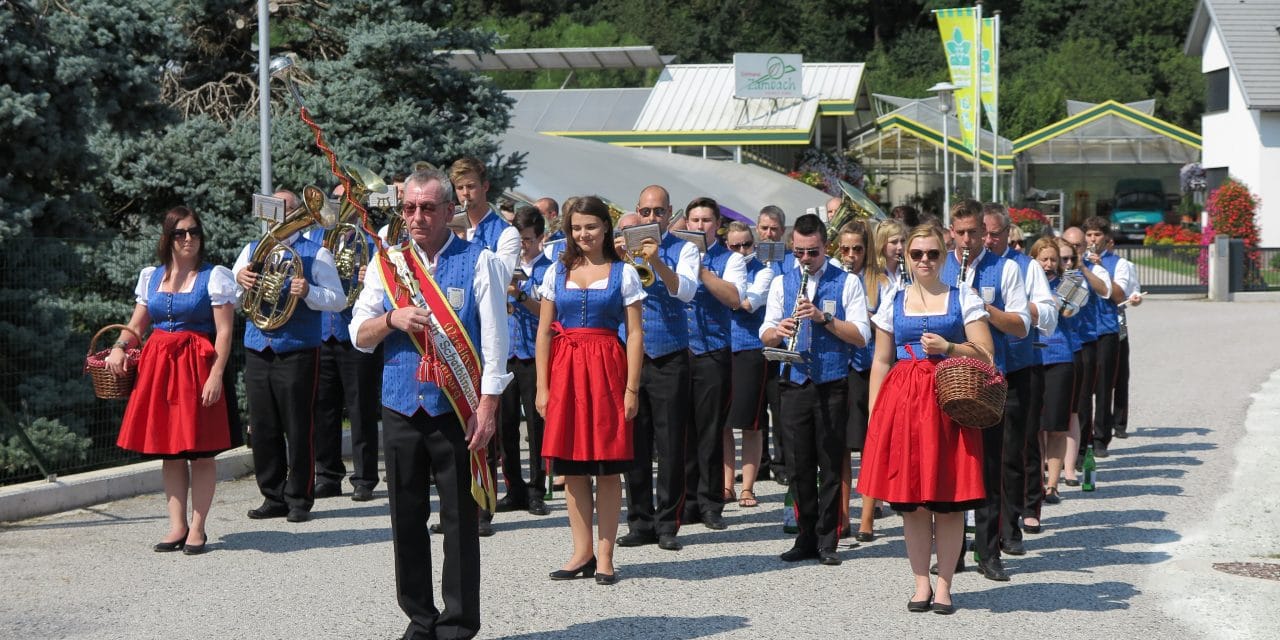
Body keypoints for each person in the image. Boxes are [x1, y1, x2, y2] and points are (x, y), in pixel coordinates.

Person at [350, 167, 509, 640]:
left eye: (427, 208)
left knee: (461, 519)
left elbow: (497, 343)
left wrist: (488, 407)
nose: (416, 217)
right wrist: (392, 318)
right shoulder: (387, 264)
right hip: (401, 406)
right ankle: (420, 619)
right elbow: (358, 335)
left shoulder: (480, 261)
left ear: (449, 211)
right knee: (406, 517)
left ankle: (458, 624)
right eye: (409, 208)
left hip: (456, 411)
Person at [859, 224, 994, 614]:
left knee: (948, 501)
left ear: (944, 254)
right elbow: (881, 361)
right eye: (916, 254)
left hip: (949, 403)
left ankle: (945, 586)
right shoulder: (893, 299)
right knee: (912, 502)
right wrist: (875, 417)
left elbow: (986, 354)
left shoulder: (961, 296)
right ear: (905, 256)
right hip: (903, 404)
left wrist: (950, 346)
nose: (924, 261)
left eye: (932, 254)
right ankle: (921, 583)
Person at [108, 206, 239, 554]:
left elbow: (224, 332)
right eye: (180, 233)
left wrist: (216, 374)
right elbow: (137, 327)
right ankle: (176, 525)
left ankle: (198, 528)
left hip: (197, 368)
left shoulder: (214, 276)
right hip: (160, 370)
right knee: (170, 452)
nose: (188, 239)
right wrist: (120, 346)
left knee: (202, 453)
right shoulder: (151, 276)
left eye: (194, 232)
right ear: (167, 237)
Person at [534, 196, 645, 586]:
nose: (584, 234)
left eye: (591, 226)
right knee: (573, 467)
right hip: (565, 371)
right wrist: (542, 387)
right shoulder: (555, 272)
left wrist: (632, 388)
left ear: (605, 228)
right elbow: (544, 333)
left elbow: (634, 335)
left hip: (607, 370)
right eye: (577, 227)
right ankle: (581, 551)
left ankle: (606, 555)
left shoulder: (623, 273)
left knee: (608, 467)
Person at [761, 213, 869, 567]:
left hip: (832, 381)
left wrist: (823, 318)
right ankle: (805, 535)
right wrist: (780, 329)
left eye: (813, 253)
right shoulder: (782, 283)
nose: (806, 260)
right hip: (793, 381)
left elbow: (861, 335)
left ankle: (828, 540)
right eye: (800, 254)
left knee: (830, 462)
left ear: (826, 248)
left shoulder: (847, 282)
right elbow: (764, 333)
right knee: (798, 464)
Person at [234, 189, 346, 524]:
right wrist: (241, 280)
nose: (277, 213)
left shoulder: (316, 255)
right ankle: (272, 495)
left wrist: (309, 291)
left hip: (297, 349)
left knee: (298, 425)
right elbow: (234, 298)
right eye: (274, 207)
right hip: (258, 346)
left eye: (286, 208)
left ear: (299, 213)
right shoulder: (253, 249)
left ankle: (299, 498)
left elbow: (338, 300)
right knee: (264, 426)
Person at [941, 200, 1030, 582]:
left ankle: (989, 553)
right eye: (959, 233)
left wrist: (980, 306)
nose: (966, 240)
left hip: (990, 381)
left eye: (973, 233)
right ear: (951, 232)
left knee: (989, 467)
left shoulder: (1006, 267)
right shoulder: (938, 263)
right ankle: (952, 550)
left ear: (984, 231)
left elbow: (1022, 325)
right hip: (947, 378)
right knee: (950, 467)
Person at [617, 185, 698, 552]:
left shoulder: (685, 249)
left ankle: (668, 523)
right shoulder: (620, 251)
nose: (652, 219)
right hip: (631, 356)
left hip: (669, 356)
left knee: (670, 444)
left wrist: (657, 262)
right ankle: (639, 520)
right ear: (638, 211)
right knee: (633, 442)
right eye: (646, 212)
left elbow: (687, 291)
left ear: (670, 215)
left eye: (659, 212)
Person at [983, 205, 1056, 542]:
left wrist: (1014, 308)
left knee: (1017, 448)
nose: (987, 239)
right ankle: (983, 525)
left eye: (994, 233)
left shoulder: (1025, 267)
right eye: (982, 232)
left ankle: (1016, 520)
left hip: (1018, 366)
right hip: (980, 370)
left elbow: (1049, 315)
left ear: (1008, 233)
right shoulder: (967, 266)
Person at [307, 186, 382, 502]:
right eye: (336, 199)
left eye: (347, 199)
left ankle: (364, 477)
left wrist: (370, 274)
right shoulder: (315, 240)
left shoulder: (372, 243)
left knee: (361, 406)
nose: (340, 205)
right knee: (323, 407)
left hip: (356, 334)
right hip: (323, 332)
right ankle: (327, 475)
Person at [681, 197, 747, 529]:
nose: (700, 226)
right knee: (682, 431)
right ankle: (686, 500)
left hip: (712, 353)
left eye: (706, 220)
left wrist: (702, 270)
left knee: (709, 431)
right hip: (681, 352)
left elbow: (734, 299)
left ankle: (710, 503)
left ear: (717, 224)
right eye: (694, 220)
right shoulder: (676, 253)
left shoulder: (730, 259)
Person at [853, 218, 909, 541]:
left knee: (896, 438)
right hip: (869, 364)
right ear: (880, 246)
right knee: (871, 438)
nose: (899, 248)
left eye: (902, 241)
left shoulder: (909, 277)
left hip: (901, 363)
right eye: (893, 243)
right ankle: (865, 517)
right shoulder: (868, 279)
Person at [497, 206, 553, 516]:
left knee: (537, 426)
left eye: (528, 240)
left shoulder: (549, 269)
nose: (522, 247)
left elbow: (547, 312)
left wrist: (519, 296)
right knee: (505, 425)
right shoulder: (503, 265)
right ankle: (513, 488)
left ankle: (536, 490)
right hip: (506, 353)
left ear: (541, 238)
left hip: (535, 356)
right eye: (518, 240)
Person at [722, 221, 773, 509]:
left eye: (746, 245)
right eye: (735, 246)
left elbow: (744, 303)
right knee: (722, 424)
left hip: (751, 349)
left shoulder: (763, 272)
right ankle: (726, 484)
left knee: (751, 423)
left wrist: (725, 291)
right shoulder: (724, 269)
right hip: (722, 347)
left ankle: (748, 487)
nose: (742, 251)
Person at [1061, 226, 1113, 470]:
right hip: (1060, 344)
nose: (1073, 252)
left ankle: (1082, 452)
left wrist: (1082, 267)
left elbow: (1105, 291)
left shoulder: (1095, 268)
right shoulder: (1055, 269)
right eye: (1069, 247)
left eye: (1078, 246)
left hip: (1086, 342)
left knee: (1082, 401)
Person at [1081, 216, 1134, 456]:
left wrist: (1100, 268)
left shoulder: (1118, 263)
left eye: (1097, 235)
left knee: (1104, 386)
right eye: (1089, 235)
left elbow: (1120, 294)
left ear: (1106, 238)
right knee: (1082, 388)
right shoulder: (1076, 262)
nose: (1093, 239)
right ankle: (1082, 439)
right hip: (1083, 330)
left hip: (1107, 329)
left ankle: (1101, 438)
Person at [1033, 237, 1079, 505]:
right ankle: (1036, 479)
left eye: (1053, 259)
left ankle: (1053, 483)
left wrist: (1050, 299)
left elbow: (1070, 310)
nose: (1049, 264)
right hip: (1033, 357)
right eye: (1044, 259)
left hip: (1060, 356)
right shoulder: (1026, 283)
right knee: (1036, 426)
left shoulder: (1069, 283)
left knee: (1057, 427)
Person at [756, 204, 790, 485]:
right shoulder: (745, 256)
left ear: (783, 232)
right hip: (752, 343)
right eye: (764, 228)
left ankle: (782, 463)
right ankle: (759, 464)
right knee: (754, 411)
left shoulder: (791, 260)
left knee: (779, 408)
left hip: (781, 345)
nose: (768, 234)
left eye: (774, 229)